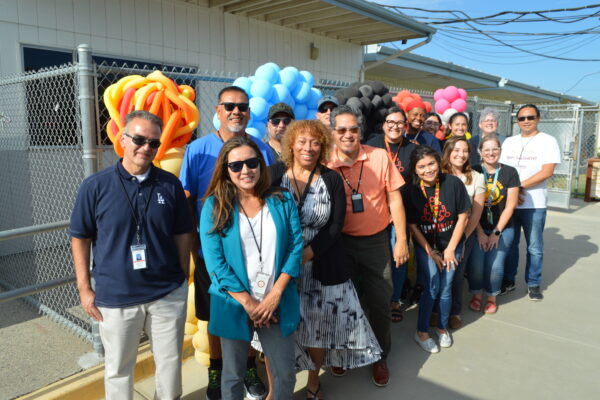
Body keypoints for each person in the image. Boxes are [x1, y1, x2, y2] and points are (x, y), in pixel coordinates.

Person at [70, 111, 194, 399]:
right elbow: (80, 237)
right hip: (117, 297)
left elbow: (183, 232)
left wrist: (181, 274)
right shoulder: (95, 186)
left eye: (153, 143)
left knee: (169, 363)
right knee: (118, 368)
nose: (146, 148)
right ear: (122, 139)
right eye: (139, 139)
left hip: (166, 293)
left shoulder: (169, 184)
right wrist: (84, 287)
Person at [268, 119, 382, 399]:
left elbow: (335, 225)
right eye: (302, 141)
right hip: (279, 266)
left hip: (319, 264)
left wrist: (305, 255)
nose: (308, 147)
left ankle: (313, 381)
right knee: (276, 331)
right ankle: (276, 389)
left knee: (317, 328)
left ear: (323, 146)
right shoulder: (273, 174)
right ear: (291, 144)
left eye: (315, 142)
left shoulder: (331, 178)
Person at [179, 86, 274, 400]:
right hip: (212, 255)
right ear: (217, 111)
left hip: (255, 254)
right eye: (230, 106)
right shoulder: (198, 150)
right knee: (217, 318)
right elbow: (185, 198)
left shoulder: (261, 149)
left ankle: (248, 367)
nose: (237, 111)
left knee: (251, 312)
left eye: (243, 107)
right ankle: (216, 371)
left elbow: (271, 196)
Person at [200, 136, 303, 400]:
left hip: (275, 303)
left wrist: (274, 296)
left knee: (285, 374)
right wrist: (250, 304)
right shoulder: (214, 206)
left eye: (251, 162)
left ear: (261, 163)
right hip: (234, 303)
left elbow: (295, 248)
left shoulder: (281, 200)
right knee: (233, 376)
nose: (245, 170)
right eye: (236, 166)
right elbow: (216, 264)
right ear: (226, 170)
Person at [326, 105, 409, 386]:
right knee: (342, 304)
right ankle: (343, 352)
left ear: (360, 131)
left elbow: (395, 199)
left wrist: (401, 241)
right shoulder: (324, 161)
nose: (348, 135)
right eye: (342, 130)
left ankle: (379, 355)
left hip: (376, 242)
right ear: (333, 132)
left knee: (379, 302)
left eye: (353, 129)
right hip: (339, 244)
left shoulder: (380, 156)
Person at [404, 146, 469, 353]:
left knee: (446, 286)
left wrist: (450, 249)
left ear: (439, 162)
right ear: (415, 169)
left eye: (431, 164)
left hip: (452, 244)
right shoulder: (411, 190)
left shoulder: (453, 183)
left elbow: (463, 216)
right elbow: (413, 225)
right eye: (421, 167)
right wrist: (430, 252)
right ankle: (422, 332)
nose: (428, 170)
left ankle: (441, 329)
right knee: (431, 285)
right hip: (426, 247)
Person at [499, 104, 561, 300]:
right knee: (509, 243)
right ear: (517, 121)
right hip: (510, 203)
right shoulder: (509, 142)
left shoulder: (548, 141)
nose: (526, 121)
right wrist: (509, 192)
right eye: (522, 118)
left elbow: (547, 171)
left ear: (538, 119)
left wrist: (518, 187)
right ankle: (508, 281)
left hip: (534, 204)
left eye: (530, 117)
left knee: (534, 246)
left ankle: (533, 283)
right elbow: (501, 168)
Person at [366, 107, 417, 322]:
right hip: (374, 210)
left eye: (399, 123)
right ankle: (375, 298)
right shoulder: (371, 144)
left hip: (399, 212)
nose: (395, 126)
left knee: (399, 255)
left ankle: (395, 299)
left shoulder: (412, 149)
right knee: (377, 258)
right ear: (384, 124)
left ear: (405, 126)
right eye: (391, 122)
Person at [438, 136, 485, 329]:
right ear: (448, 152)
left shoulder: (477, 177)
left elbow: (475, 214)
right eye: (456, 150)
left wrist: (461, 241)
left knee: (456, 275)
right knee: (435, 275)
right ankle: (435, 310)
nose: (461, 154)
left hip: (463, 236)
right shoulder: (435, 173)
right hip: (437, 236)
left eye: (465, 151)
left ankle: (454, 311)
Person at [468, 136, 520, 314]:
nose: (491, 153)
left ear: (500, 150)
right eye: (486, 150)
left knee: (495, 266)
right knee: (476, 265)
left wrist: (496, 232)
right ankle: (476, 295)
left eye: (495, 149)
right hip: (478, 226)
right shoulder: (473, 171)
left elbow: (511, 205)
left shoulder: (510, 172)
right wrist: (480, 231)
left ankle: (491, 296)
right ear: (480, 152)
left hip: (503, 227)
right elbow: (470, 206)